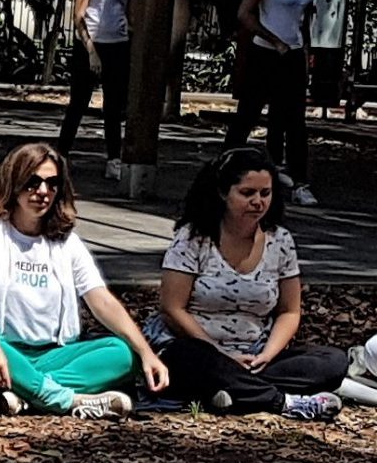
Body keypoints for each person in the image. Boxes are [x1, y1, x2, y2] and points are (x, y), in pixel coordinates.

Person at [0, 143, 168, 418]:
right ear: (13, 184)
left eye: (52, 184)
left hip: (50, 356)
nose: (42, 192)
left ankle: (27, 394)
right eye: (33, 182)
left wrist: (146, 353)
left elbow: (101, 301)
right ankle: (65, 400)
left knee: (123, 353)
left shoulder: (67, 243)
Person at [145, 147, 345, 419]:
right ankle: (282, 402)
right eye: (247, 193)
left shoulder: (281, 240)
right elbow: (172, 308)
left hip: (253, 355)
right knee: (188, 359)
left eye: (265, 193)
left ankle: (231, 393)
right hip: (199, 348)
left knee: (333, 362)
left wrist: (268, 354)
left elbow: (290, 310)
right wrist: (220, 353)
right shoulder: (193, 238)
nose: (258, 202)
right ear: (223, 192)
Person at [223, 0, 317, 206]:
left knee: (294, 120)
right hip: (265, 52)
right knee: (248, 113)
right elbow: (245, 13)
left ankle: (299, 180)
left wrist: (305, 49)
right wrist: (273, 38)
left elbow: (305, 18)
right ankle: (227, 169)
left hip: (292, 54)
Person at [56, 0, 136, 180]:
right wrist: (90, 48)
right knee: (79, 102)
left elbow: (131, 12)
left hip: (118, 45)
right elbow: (79, 14)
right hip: (90, 44)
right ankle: (61, 155)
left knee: (114, 106)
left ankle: (114, 159)